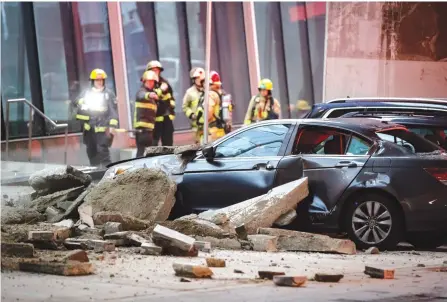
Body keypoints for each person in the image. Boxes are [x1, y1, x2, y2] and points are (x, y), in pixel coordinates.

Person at [74, 68, 118, 168]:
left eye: (101, 80)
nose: (100, 82)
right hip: (89, 131)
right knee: (91, 154)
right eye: (97, 80)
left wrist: (112, 126)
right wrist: (82, 102)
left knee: (103, 155)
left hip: (103, 131)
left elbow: (113, 112)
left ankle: (108, 175)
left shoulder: (108, 94)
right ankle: (95, 176)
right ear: (93, 81)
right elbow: (75, 102)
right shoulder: (86, 93)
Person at [145, 60, 175, 146]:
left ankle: (168, 158)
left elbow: (171, 98)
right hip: (154, 119)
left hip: (166, 117)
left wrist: (171, 112)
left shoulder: (165, 83)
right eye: (153, 70)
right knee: (153, 143)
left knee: (168, 143)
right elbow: (151, 96)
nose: (155, 72)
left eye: (157, 70)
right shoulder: (148, 84)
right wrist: (161, 90)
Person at [195, 71, 229, 143]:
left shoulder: (210, 95)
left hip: (211, 133)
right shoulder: (222, 94)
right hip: (221, 131)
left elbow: (208, 115)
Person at [134, 70, 159, 157]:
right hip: (142, 130)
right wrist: (149, 95)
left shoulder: (154, 96)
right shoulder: (141, 91)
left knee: (149, 153)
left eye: (152, 82)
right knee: (141, 152)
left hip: (150, 130)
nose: (150, 83)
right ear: (144, 81)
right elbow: (141, 95)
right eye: (148, 81)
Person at [182, 67, 205, 143]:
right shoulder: (190, 92)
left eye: (200, 78)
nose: (199, 80)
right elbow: (185, 107)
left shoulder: (209, 90)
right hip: (197, 127)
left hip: (209, 125)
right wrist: (191, 114)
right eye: (197, 78)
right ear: (193, 79)